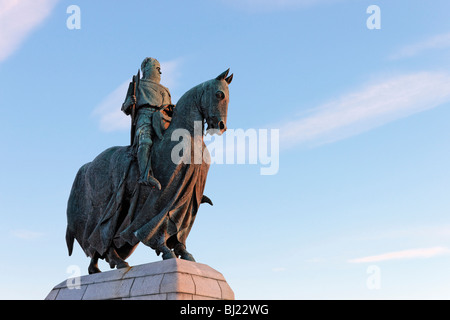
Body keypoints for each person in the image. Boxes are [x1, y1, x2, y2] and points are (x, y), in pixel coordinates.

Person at [121, 57, 173, 189]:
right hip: (144, 117)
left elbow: (170, 109)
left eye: (160, 70)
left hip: (162, 119)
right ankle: (145, 175)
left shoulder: (165, 90)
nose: (160, 73)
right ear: (146, 68)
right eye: (157, 69)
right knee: (146, 142)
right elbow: (125, 107)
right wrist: (129, 103)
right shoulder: (138, 85)